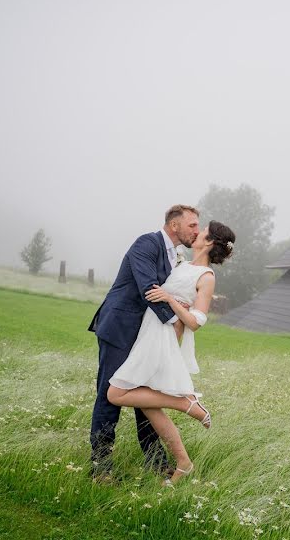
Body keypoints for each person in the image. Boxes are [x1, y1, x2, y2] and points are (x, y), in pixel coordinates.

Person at [107, 220, 235, 486]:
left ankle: (184, 403)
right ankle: (184, 463)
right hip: (148, 332)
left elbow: (196, 322)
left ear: (209, 241)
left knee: (116, 393)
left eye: (201, 231)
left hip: (162, 339)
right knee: (147, 403)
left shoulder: (206, 276)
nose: (196, 233)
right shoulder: (183, 265)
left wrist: (170, 300)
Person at [87, 205, 200, 482]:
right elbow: (149, 289)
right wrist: (176, 322)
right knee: (109, 393)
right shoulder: (146, 243)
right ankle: (100, 467)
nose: (197, 230)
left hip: (144, 334)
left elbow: (169, 291)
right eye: (193, 225)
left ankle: (156, 462)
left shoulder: (176, 255)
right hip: (120, 327)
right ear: (174, 226)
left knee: (145, 396)